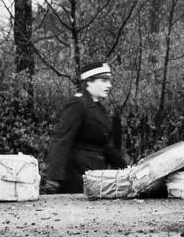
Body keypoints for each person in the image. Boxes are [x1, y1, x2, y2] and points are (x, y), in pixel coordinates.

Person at [42, 61, 130, 194]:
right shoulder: (78, 104)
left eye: (109, 81)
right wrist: (53, 178)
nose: (109, 85)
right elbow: (61, 140)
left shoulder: (99, 108)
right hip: (76, 177)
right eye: (104, 81)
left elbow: (105, 146)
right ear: (89, 82)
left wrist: (127, 169)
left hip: (95, 176)